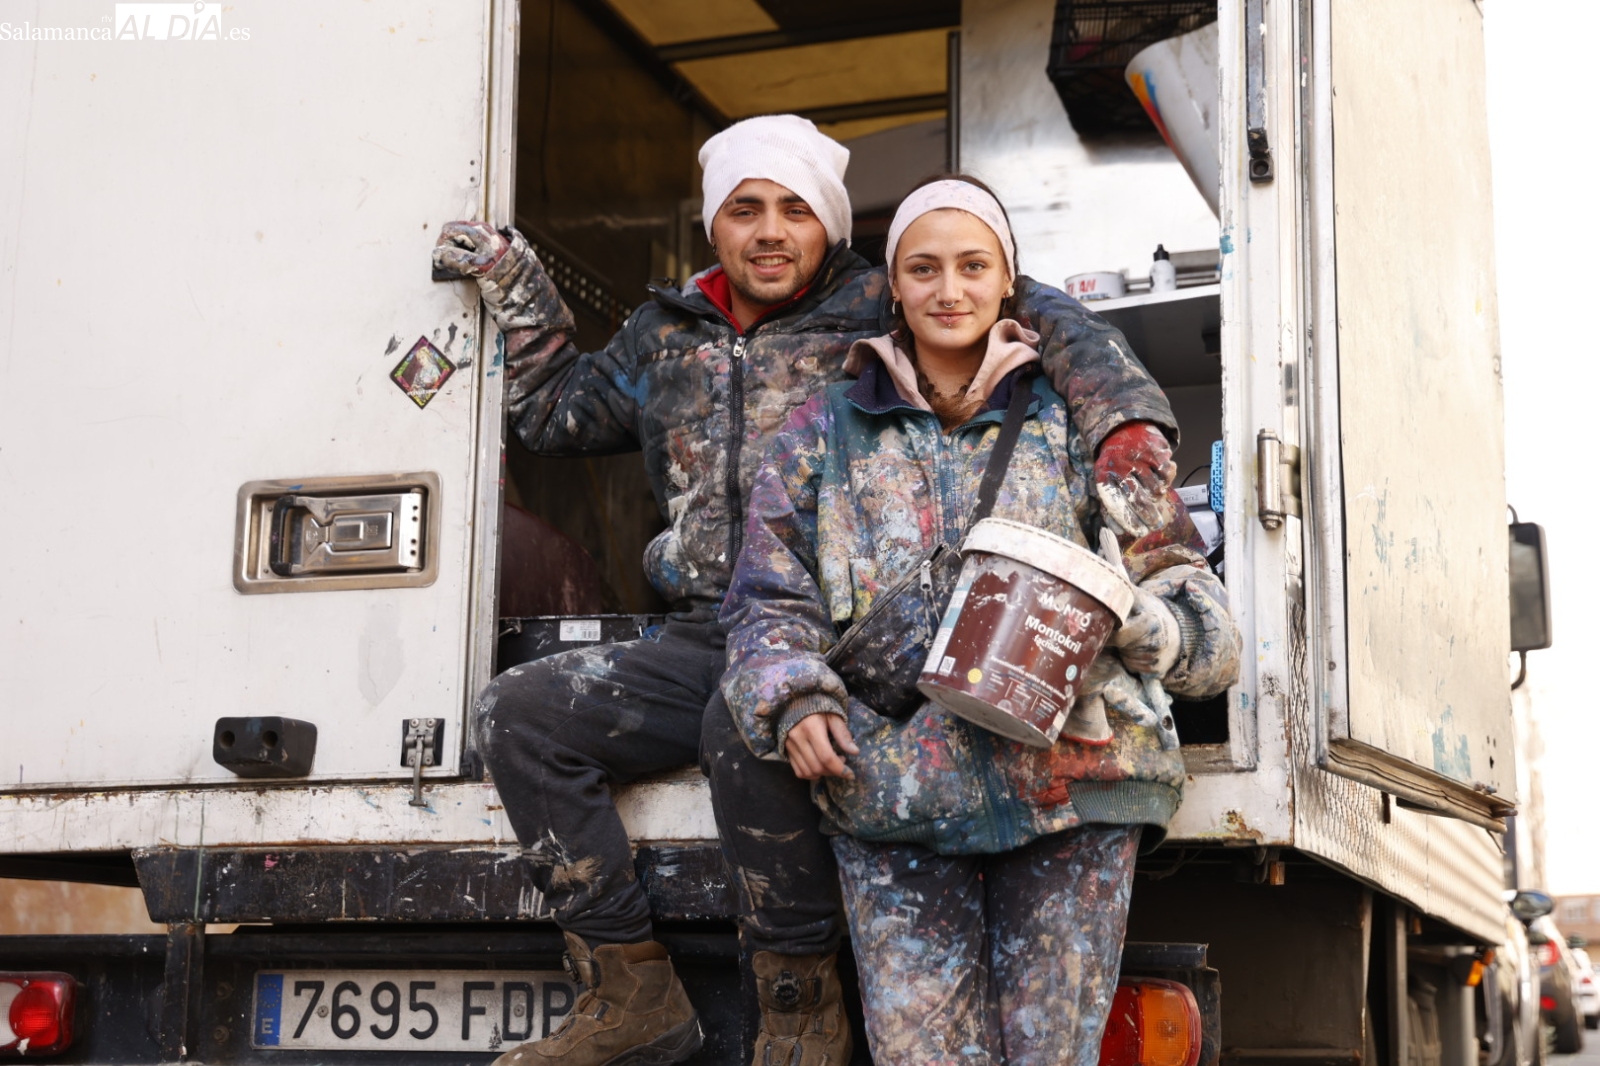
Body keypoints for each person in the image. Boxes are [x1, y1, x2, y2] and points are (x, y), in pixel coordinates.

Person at [433, 115, 1185, 1066]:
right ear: (715, 227)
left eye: (796, 209)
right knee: (518, 716)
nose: (771, 230)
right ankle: (627, 982)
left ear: (831, 225)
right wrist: (516, 285)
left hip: (831, 631)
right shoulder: (664, 334)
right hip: (706, 624)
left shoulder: (885, 299)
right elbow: (553, 413)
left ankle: (798, 1006)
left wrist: (1122, 422)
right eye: (745, 210)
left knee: (744, 727)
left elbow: (1036, 312)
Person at [720, 177, 1242, 1065]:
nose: (948, 290)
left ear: (1009, 283)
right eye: (923, 269)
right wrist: (794, 700)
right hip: (890, 802)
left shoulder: (1076, 421)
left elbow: (1204, 624)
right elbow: (766, 605)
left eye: (972, 266)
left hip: (1073, 799)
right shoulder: (823, 430)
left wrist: (1137, 622)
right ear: (895, 287)